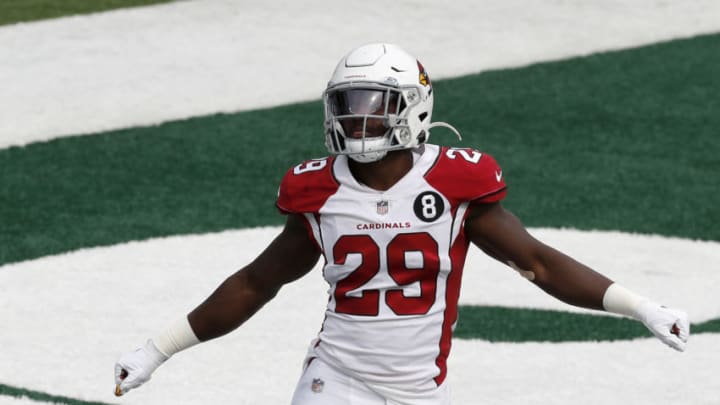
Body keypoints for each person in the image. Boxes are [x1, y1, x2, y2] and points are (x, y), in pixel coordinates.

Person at [114, 43, 689, 404]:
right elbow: (255, 283)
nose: (356, 118)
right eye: (347, 103)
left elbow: (538, 263)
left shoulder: (456, 183)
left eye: (373, 103)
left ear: (413, 107)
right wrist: (155, 350)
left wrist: (640, 306)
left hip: (419, 388)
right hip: (335, 378)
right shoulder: (318, 190)